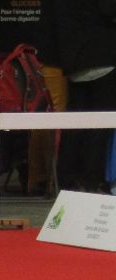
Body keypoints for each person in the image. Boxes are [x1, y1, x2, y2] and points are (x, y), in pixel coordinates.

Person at [55, 0, 116, 193]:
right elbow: (108, 9)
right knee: (100, 125)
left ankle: (67, 178)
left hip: (75, 60)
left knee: (76, 121)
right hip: (102, 59)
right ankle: (92, 179)